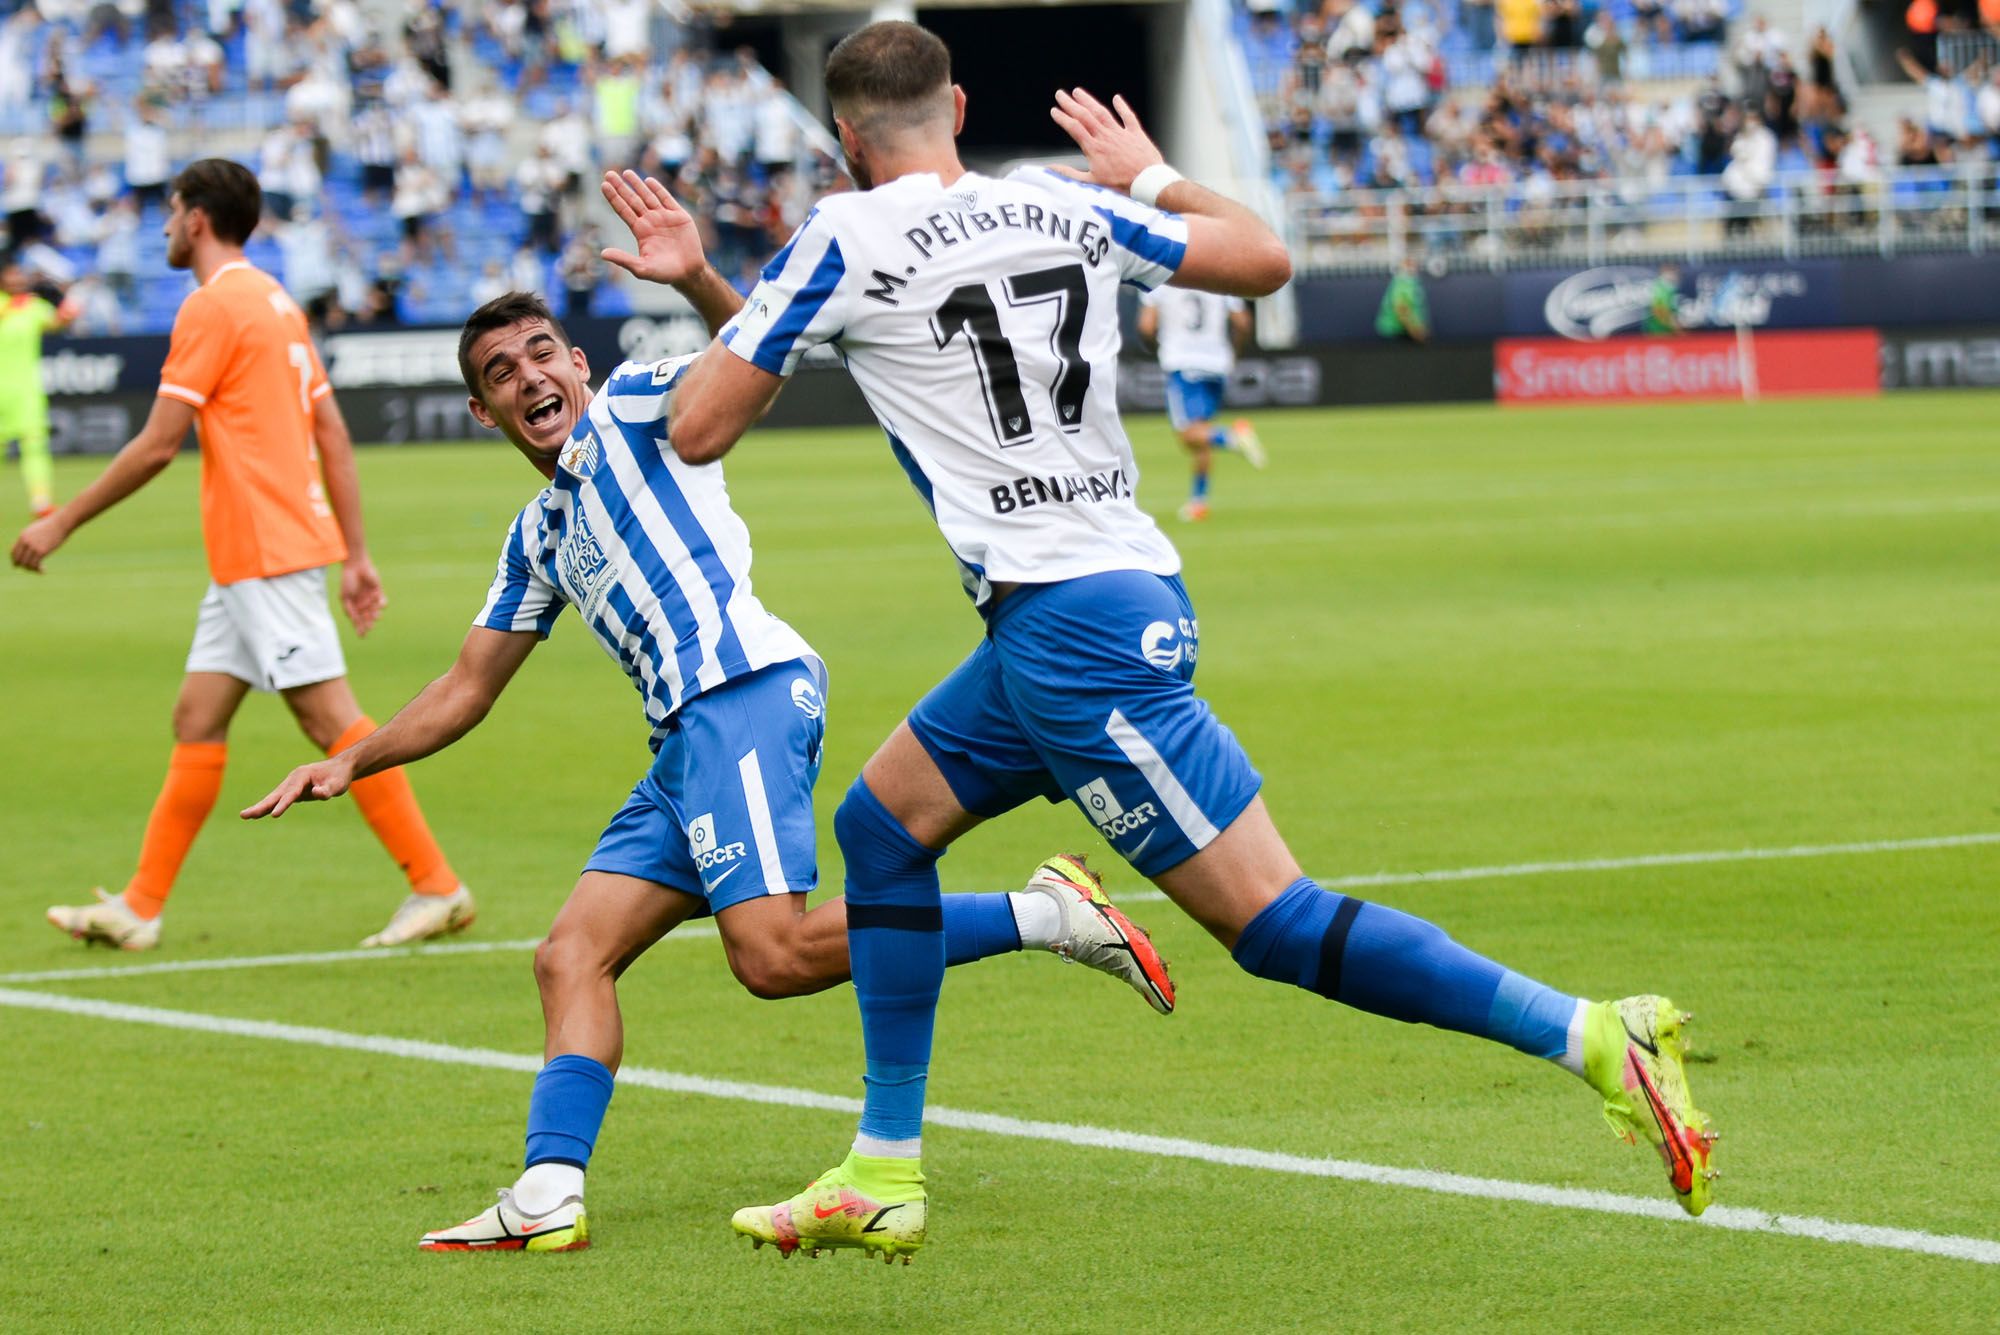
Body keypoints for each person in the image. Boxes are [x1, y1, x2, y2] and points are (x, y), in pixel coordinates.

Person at [657, 21, 1716, 1261]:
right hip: (1074, 613)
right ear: (953, 107)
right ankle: (883, 1168)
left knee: (1269, 925)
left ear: (844, 138)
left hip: (1074, 642)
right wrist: (1147, 172)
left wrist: (706, 288)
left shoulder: (841, 236)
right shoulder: (1062, 205)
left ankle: (1589, 1033)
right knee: (881, 828)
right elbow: (1261, 256)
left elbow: (698, 427)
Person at [242, 172, 1174, 1253]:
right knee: (568, 956)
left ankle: (1044, 915)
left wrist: (688, 269)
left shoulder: (641, 402)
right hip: (684, 742)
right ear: (482, 409)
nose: (529, 376)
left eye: (542, 354)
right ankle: (546, 1195)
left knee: (770, 957)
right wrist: (348, 759)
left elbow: (751, 347)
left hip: (743, 692)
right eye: (502, 372)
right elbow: (465, 687)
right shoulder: (536, 536)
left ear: (576, 364)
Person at [12, 159, 473, 953]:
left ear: (195, 218)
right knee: (197, 715)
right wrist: (355, 553)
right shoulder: (276, 302)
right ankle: (140, 906)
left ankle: (436, 885)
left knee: (330, 719)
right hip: (256, 553)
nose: (162, 226)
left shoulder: (213, 305)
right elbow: (329, 430)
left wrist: (62, 522)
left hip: (266, 548)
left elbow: (158, 445)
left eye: (169, 210)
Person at [1135, 286, 1265, 523]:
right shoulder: (1217, 275)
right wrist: (1232, 353)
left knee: (1189, 435)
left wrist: (1160, 348)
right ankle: (1199, 501)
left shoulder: (1159, 277)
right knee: (1203, 431)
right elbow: (1243, 323)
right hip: (1217, 364)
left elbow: (1146, 326)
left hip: (1183, 363)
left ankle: (1232, 437)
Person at [0, 261, 78, 517]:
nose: (17, 279)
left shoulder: (33, 307)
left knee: (35, 446)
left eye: (18, 273)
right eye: (11, 274)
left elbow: (64, 319)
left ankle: (41, 502)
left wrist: (61, 293)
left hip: (26, 391)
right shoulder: (10, 305)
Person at [1376, 255, 1430, 342]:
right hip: (1395, 333)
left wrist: (1420, 326)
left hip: (1405, 333)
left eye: (1413, 265)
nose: (1412, 268)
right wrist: (1415, 331)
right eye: (1408, 265)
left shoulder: (1412, 282)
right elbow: (1401, 308)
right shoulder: (1402, 283)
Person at [1644, 264, 1683, 334]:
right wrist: (1679, 330)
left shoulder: (1668, 289)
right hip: (1657, 332)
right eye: (1673, 273)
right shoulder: (1661, 289)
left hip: (1660, 332)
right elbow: (1660, 312)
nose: (1676, 276)